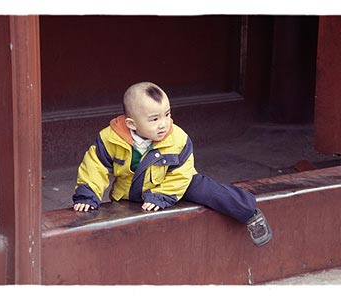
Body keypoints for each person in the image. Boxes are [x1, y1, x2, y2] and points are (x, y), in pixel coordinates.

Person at [72, 82, 272, 246]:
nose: (164, 123)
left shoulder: (177, 139)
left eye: (167, 114)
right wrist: (87, 195)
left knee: (206, 188)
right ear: (132, 124)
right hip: (131, 190)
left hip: (174, 183)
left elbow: (182, 173)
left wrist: (162, 196)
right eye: (154, 119)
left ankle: (249, 212)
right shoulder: (110, 139)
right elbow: (95, 166)